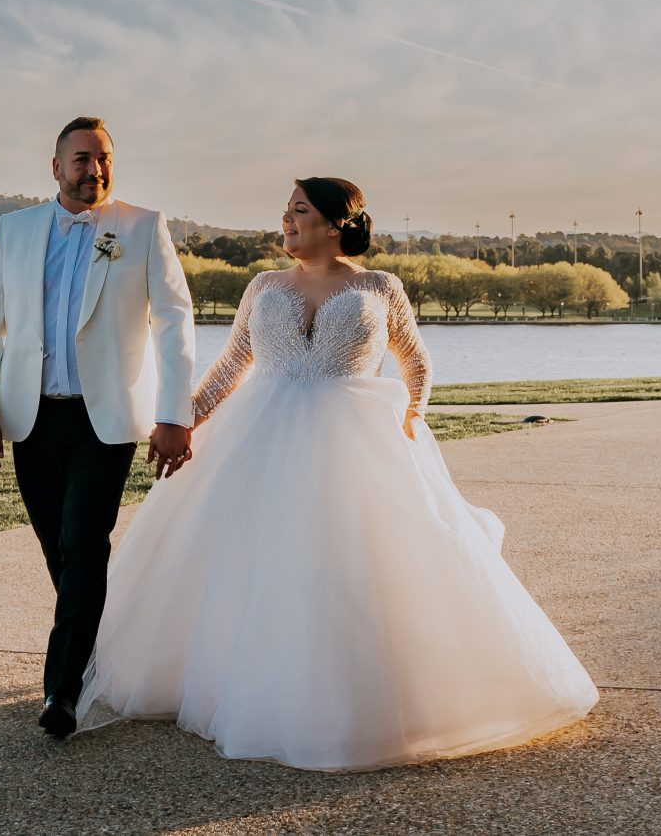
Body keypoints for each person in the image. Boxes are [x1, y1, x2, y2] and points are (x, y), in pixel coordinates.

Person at [76, 176, 598, 770]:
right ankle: (244, 682)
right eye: (286, 210)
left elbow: (415, 359)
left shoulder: (379, 287)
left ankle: (347, 703)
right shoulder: (263, 285)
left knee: (348, 561)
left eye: (299, 210)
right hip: (258, 437)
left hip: (353, 440)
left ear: (334, 224)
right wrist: (184, 419)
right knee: (252, 559)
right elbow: (232, 364)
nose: (286, 220)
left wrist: (413, 415)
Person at [0, 116, 198, 739]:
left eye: (103, 157)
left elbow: (175, 323)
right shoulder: (14, 230)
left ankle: (62, 693)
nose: (95, 169)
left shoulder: (142, 227)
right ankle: (93, 650)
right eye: (82, 159)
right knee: (61, 551)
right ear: (56, 167)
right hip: (31, 415)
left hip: (106, 419)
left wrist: (174, 414)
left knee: (84, 544)